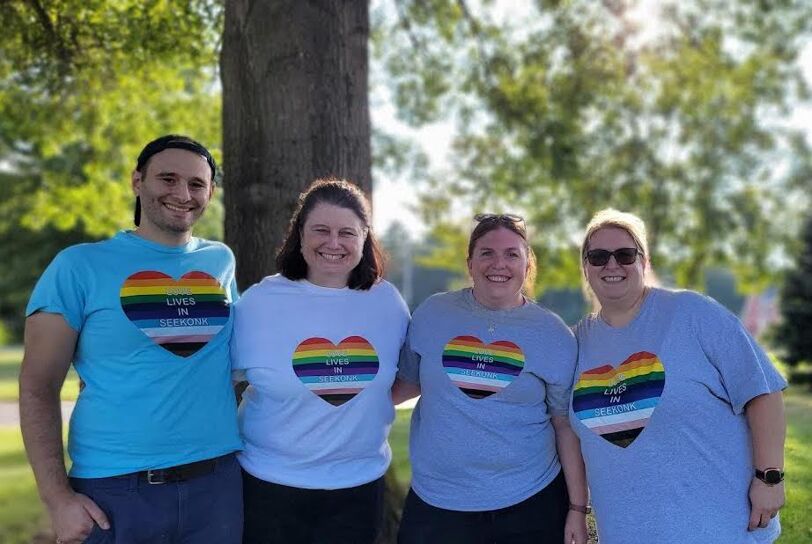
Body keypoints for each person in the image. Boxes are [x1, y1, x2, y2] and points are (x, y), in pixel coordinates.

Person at [19, 135, 243, 544]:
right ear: (137, 181)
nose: (182, 193)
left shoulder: (220, 261)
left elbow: (236, 363)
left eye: (196, 184)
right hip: (114, 490)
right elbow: (37, 386)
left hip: (217, 485)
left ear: (211, 191)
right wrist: (56, 499)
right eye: (168, 179)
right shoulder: (78, 266)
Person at [571, 208, 787, 544]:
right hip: (626, 533)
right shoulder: (577, 342)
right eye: (598, 257)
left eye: (625, 254)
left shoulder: (693, 313)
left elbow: (763, 392)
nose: (611, 265)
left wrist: (770, 478)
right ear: (586, 268)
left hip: (719, 527)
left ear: (645, 261)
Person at [231, 179, 410, 544]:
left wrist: (360, 406)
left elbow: (408, 377)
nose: (333, 243)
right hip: (267, 488)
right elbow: (215, 381)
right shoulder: (259, 303)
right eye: (321, 230)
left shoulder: (387, 304)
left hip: (358, 489)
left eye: (347, 232)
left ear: (365, 239)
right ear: (299, 235)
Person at [395, 214, 588, 544]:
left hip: (530, 504)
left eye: (512, 254)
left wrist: (577, 508)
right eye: (487, 253)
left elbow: (563, 426)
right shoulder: (432, 315)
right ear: (470, 263)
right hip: (437, 506)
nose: (499, 263)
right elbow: (407, 385)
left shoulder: (553, 335)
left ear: (528, 266)